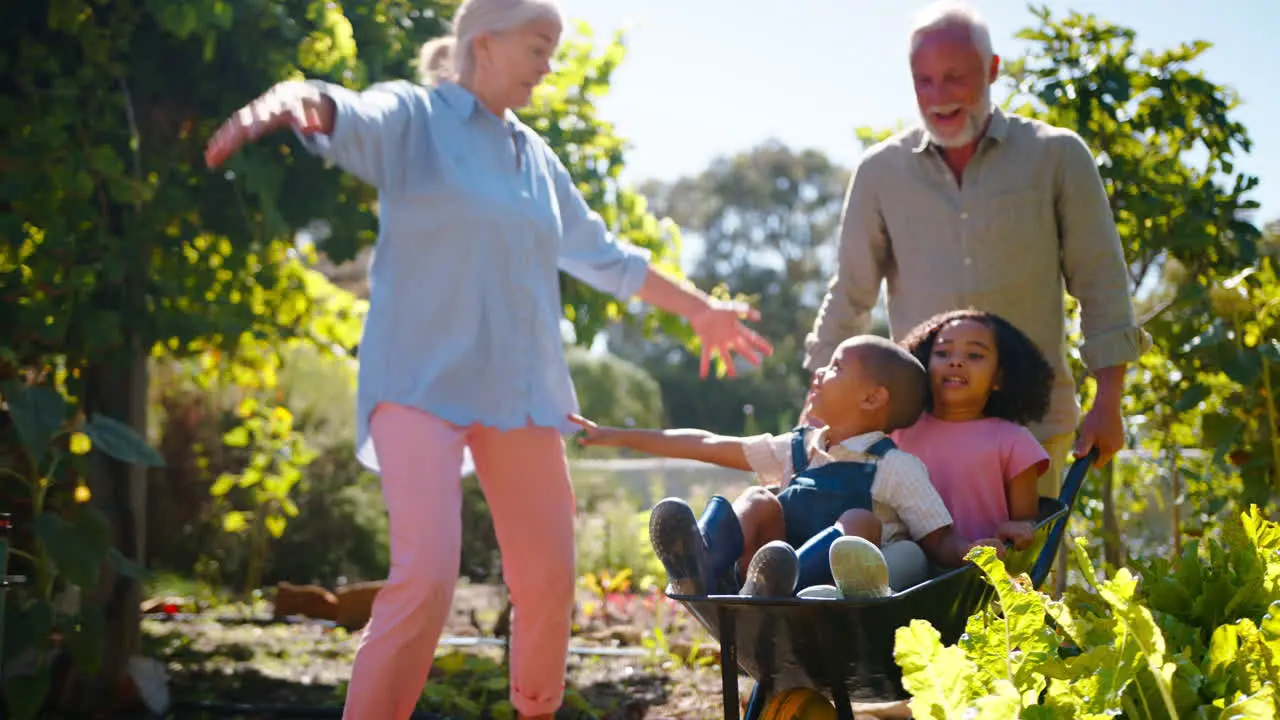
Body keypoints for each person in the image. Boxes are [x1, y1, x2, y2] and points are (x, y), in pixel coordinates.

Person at [203, 1, 774, 717]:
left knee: (548, 578)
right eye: (539, 46)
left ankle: (536, 709)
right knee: (428, 577)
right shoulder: (417, 118)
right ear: (484, 42)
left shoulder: (532, 155)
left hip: (520, 393)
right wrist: (306, 99)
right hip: (417, 384)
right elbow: (353, 115)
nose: (548, 64)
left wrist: (699, 308)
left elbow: (605, 255)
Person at [801, 0, 1147, 594]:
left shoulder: (1057, 156)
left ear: (992, 69)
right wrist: (815, 403)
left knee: (1024, 589)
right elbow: (851, 293)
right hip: (921, 429)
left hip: (1034, 421)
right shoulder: (881, 172)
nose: (939, 95)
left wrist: (1108, 396)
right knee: (919, 584)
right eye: (924, 80)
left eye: (955, 76)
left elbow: (1100, 279)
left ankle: (1024, 687)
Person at [570, 335, 1017, 601]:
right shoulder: (796, 449)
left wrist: (986, 549)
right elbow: (706, 443)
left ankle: (777, 582)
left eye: (836, 366)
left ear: (872, 398)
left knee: (860, 522)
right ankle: (699, 566)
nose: (820, 372)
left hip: (823, 596)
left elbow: (939, 542)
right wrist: (615, 434)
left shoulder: (895, 468)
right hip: (760, 577)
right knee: (760, 500)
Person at [893, 309, 1055, 546]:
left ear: (999, 377)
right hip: (909, 576)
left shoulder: (1014, 441)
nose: (955, 361)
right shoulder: (899, 430)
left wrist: (1018, 530)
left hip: (979, 577)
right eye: (942, 352)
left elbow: (1027, 529)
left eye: (974, 355)